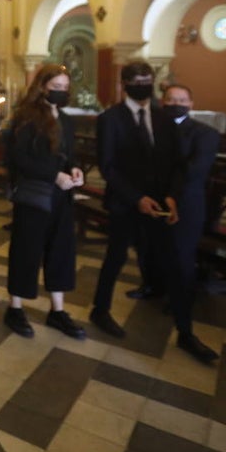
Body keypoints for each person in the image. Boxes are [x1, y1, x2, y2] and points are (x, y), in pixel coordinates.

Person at [89, 60, 183, 338]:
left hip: (161, 203)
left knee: (165, 255)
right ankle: (100, 310)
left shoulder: (164, 118)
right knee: (115, 257)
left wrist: (172, 196)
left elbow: (176, 163)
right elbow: (107, 166)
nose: (143, 86)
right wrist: (136, 198)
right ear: (125, 85)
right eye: (137, 82)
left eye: (147, 80)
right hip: (125, 201)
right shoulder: (110, 118)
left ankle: (182, 321)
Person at [2, 65, 86, 339]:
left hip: (62, 196)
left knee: (61, 250)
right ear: (42, 87)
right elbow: (18, 159)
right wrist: (54, 175)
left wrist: (74, 170)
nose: (61, 92)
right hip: (34, 195)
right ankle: (15, 307)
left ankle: (57, 311)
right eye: (55, 87)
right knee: (26, 251)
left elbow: (67, 156)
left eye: (64, 88)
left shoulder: (66, 119)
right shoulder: (26, 118)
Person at [158, 84, 221, 363]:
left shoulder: (206, 133)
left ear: (191, 103)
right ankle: (158, 289)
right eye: (170, 99)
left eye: (181, 100)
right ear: (162, 102)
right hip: (152, 202)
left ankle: (185, 330)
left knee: (182, 261)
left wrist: (172, 195)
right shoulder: (152, 131)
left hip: (186, 204)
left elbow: (194, 171)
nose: (175, 103)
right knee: (155, 253)